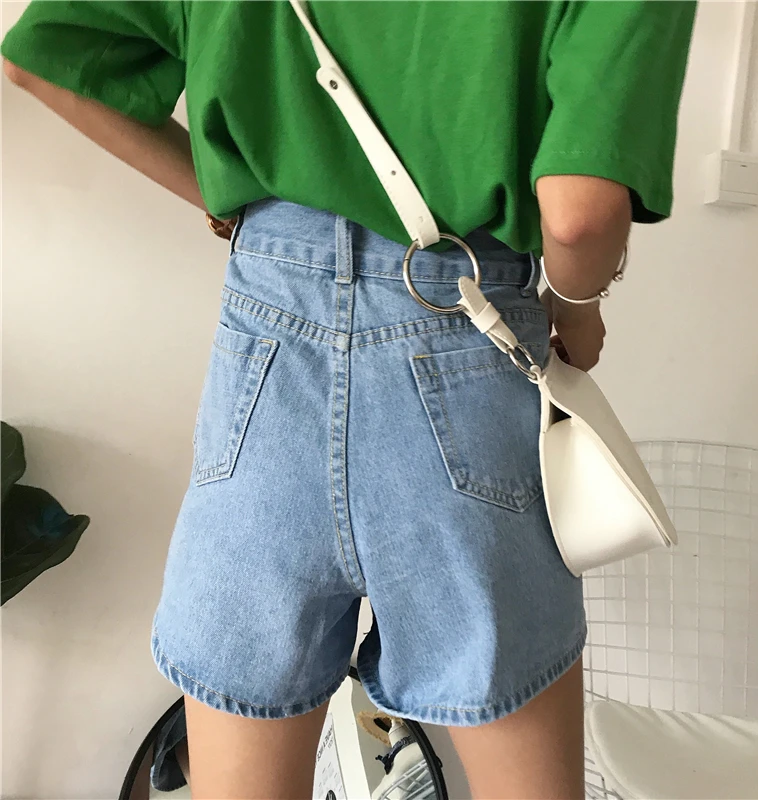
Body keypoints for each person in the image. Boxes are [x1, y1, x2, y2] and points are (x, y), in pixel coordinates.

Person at [3, 2, 695, 797]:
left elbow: (43, 56)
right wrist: (576, 309)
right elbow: (578, 217)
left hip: (266, 355)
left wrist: (237, 202)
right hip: (465, 337)